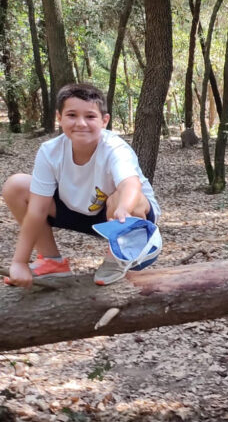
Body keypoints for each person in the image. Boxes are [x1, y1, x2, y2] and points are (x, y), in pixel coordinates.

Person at [3, 83, 161, 288]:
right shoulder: (50, 151)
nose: (81, 123)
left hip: (123, 218)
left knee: (126, 198)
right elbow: (37, 210)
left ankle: (118, 258)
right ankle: (52, 262)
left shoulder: (114, 148)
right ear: (59, 118)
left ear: (104, 121)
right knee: (16, 186)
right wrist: (19, 262)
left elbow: (130, 183)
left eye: (90, 116)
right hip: (78, 211)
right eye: (72, 115)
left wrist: (124, 208)